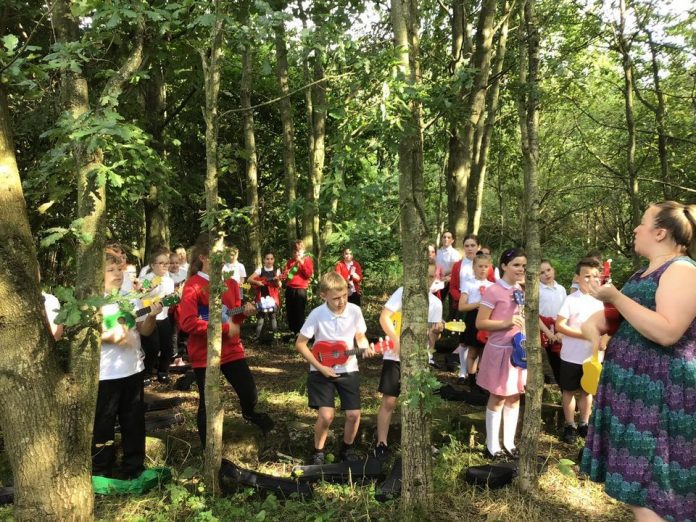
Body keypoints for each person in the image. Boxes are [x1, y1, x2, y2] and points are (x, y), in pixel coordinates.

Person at [580, 201, 696, 522]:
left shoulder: (682, 270)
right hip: (632, 396)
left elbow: (668, 331)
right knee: (638, 490)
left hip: (659, 400)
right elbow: (629, 321)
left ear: (659, 233)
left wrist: (616, 297)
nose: (635, 229)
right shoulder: (644, 272)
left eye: (642, 223)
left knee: (652, 492)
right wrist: (598, 320)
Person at [178, 235, 274, 444]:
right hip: (205, 353)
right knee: (208, 401)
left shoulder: (230, 282)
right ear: (203, 257)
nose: (221, 257)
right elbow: (187, 322)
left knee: (249, 392)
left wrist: (245, 312)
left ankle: (249, 415)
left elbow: (232, 315)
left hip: (231, 349)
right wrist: (223, 328)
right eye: (216, 253)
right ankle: (208, 451)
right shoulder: (193, 285)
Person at [93, 249, 161, 479]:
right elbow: (87, 334)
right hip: (105, 374)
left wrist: (151, 315)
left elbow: (144, 330)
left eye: (119, 269)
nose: (117, 274)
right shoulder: (94, 301)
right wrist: (114, 336)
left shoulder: (131, 298)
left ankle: (134, 467)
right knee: (103, 423)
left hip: (133, 369)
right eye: (110, 270)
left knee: (134, 421)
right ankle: (101, 470)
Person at [295, 272, 374, 464]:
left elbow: (360, 336)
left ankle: (347, 449)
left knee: (354, 415)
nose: (342, 301)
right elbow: (300, 344)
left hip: (348, 369)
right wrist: (320, 367)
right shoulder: (317, 314)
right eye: (336, 298)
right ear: (324, 296)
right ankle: (318, 452)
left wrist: (364, 346)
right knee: (326, 415)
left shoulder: (354, 310)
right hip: (321, 370)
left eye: (345, 296)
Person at [374, 264, 444, 459]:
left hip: (421, 358)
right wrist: (397, 341)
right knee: (390, 400)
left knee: (421, 402)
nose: (428, 280)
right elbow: (385, 317)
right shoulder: (403, 292)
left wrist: (436, 332)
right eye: (425, 276)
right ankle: (381, 443)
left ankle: (421, 442)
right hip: (395, 356)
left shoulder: (436, 304)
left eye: (432, 277)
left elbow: (432, 342)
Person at [475, 248, 528, 460]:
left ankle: (509, 442)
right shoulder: (493, 291)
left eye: (523, 265)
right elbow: (481, 323)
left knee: (514, 396)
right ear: (504, 266)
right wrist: (505, 323)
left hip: (518, 350)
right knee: (497, 396)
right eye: (516, 264)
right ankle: (492, 444)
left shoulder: (522, 290)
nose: (521, 269)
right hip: (499, 351)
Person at [555, 258, 605, 444]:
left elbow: (609, 326)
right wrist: (584, 335)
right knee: (568, 390)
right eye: (586, 276)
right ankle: (570, 425)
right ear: (577, 277)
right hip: (571, 355)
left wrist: (604, 339)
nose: (591, 280)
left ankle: (584, 423)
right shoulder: (570, 300)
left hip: (593, 356)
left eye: (595, 276)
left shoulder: (602, 300)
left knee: (587, 391)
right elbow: (559, 325)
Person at [457, 252, 495, 389]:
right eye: (480, 266)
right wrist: (479, 304)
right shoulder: (468, 283)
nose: (483, 269)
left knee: (485, 352)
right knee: (473, 351)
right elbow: (462, 306)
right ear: (473, 267)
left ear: (490, 267)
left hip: (488, 319)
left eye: (486, 266)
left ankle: (482, 380)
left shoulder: (493, 286)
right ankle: (472, 381)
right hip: (473, 318)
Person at [140, 247, 176, 383]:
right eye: (161, 263)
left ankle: (163, 372)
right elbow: (141, 296)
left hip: (164, 317)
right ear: (152, 265)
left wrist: (173, 298)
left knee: (167, 346)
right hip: (148, 317)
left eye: (167, 263)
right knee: (152, 348)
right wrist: (151, 289)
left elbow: (169, 300)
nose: (165, 266)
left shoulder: (169, 280)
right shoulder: (145, 279)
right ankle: (147, 374)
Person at [449, 234, 481, 358]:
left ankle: (475, 369)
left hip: (481, 308)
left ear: (478, 247)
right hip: (463, 307)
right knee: (463, 341)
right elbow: (452, 287)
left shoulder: (485, 265)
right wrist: (463, 300)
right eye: (466, 246)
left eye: (473, 245)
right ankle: (462, 372)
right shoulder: (458, 265)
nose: (469, 248)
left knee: (478, 340)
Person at [538, 259, 567, 384]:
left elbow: (566, 311)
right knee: (554, 362)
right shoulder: (537, 290)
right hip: (544, 330)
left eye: (548, 270)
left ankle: (567, 390)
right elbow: (534, 315)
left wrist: (561, 331)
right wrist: (548, 333)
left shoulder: (561, 289)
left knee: (565, 360)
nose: (546, 274)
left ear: (553, 269)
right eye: (542, 272)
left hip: (561, 329)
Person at [282, 240, 314, 335]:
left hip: (300, 290)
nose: (296, 253)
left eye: (298, 251)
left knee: (299, 312)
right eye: (295, 251)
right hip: (290, 289)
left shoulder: (307, 260)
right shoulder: (290, 262)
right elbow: (286, 277)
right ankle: (292, 332)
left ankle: (301, 334)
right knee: (290, 311)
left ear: (303, 250)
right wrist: (285, 274)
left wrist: (301, 263)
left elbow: (308, 274)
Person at [248, 251, 281, 341]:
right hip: (261, 297)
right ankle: (256, 337)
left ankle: (276, 338)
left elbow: (279, 285)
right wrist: (257, 282)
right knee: (260, 318)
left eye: (271, 259)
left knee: (273, 317)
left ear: (273, 260)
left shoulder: (277, 270)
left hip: (273, 298)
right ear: (264, 260)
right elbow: (249, 279)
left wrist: (277, 280)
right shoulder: (260, 270)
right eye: (267, 259)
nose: (269, 261)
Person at [436, 231, 462, 314]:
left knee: (452, 304)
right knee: (437, 301)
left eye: (449, 237)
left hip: (450, 280)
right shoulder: (437, 252)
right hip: (437, 280)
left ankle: (451, 322)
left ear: (452, 240)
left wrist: (444, 275)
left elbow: (454, 268)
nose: (446, 239)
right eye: (444, 237)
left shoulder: (455, 253)